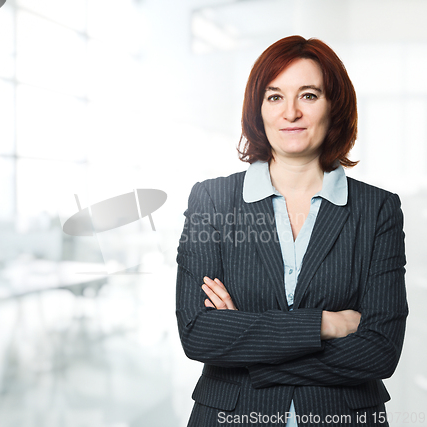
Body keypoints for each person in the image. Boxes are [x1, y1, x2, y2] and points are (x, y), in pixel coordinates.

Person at [175, 35, 408, 427]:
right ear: (258, 108)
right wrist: (326, 324)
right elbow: (198, 333)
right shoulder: (211, 200)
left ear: (334, 105)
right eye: (275, 96)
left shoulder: (377, 209)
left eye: (309, 95)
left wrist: (249, 351)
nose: (291, 113)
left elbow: (380, 351)